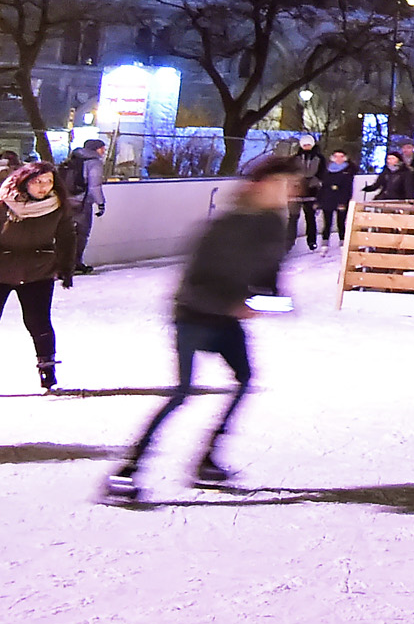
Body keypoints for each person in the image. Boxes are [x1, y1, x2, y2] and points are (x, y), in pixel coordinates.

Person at [106, 157, 304, 501]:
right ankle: (128, 469)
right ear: (260, 185)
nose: (292, 193)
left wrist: (271, 299)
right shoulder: (224, 225)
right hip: (193, 314)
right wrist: (233, 304)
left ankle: (208, 459)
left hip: (226, 318)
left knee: (244, 380)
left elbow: (268, 275)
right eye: (285, 185)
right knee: (183, 392)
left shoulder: (273, 223)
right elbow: (193, 283)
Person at [0, 162, 77, 391]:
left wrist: (66, 268)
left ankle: (48, 376)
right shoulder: (1, 205)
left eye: (48, 181)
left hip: (39, 271)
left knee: (39, 323)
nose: (44, 187)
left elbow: (67, 238)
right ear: (25, 181)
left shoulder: (58, 206)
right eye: (38, 181)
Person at [59, 138, 106, 272]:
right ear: (95, 149)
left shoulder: (73, 159)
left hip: (66, 200)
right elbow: (94, 186)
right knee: (81, 234)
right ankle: (75, 264)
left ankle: (62, 264)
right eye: (102, 148)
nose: (104, 150)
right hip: (82, 202)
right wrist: (101, 203)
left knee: (66, 233)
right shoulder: (94, 162)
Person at [287, 136, 325, 250]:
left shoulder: (319, 158)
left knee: (310, 217)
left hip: (311, 192)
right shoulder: (295, 158)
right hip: (296, 192)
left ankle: (311, 241)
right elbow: (290, 173)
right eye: (304, 144)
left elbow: (322, 173)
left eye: (308, 144)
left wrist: (313, 182)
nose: (306, 146)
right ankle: (289, 241)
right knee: (293, 217)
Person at [314, 147, 356, 250]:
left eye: (341, 157)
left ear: (345, 158)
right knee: (327, 222)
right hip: (327, 199)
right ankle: (325, 242)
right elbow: (323, 187)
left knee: (341, 222)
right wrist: (318, 201)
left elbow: (348, 189)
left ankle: (342, 241)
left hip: (341, 200)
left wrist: (344, 202)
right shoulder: (327, 170)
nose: (338, 159)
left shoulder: (348, 171)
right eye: (336, 156)